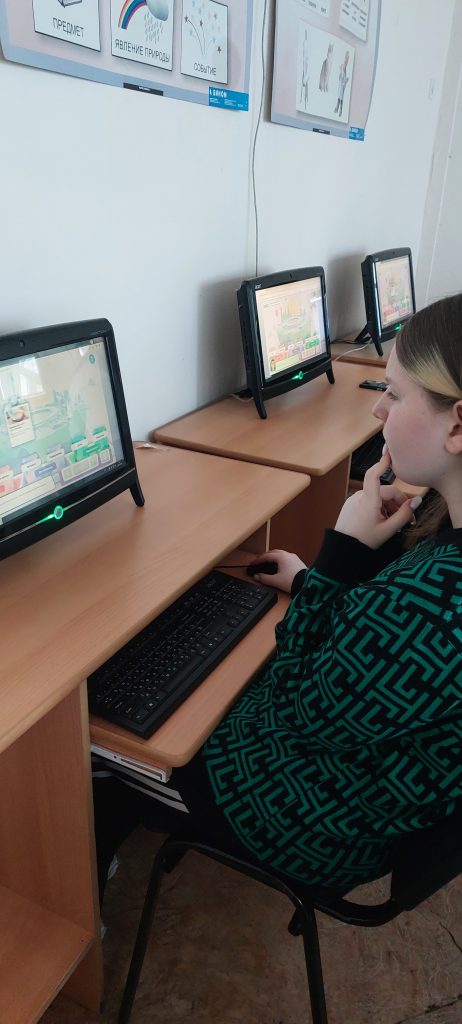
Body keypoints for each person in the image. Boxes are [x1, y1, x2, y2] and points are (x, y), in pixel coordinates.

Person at [94, 293, 462, 903]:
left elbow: (297, 705)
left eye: (395, 395)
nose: (378, 409)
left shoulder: (436, 607)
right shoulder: (440, 563)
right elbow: (375, 652)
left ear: (457, 425)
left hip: (308, 822)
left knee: (100, 752)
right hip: (362, 787)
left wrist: (343, 552)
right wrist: (309, 582)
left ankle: (92, 883)